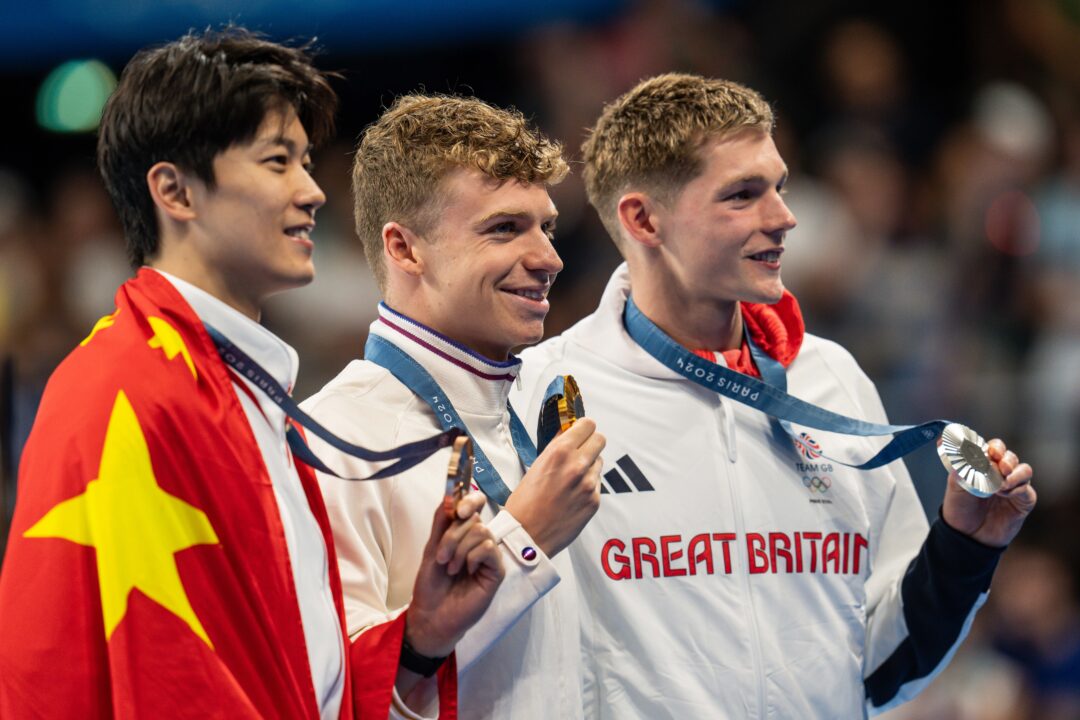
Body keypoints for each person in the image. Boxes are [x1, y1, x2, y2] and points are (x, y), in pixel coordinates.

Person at [0, 28, 504, 719]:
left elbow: (286, 679)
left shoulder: (230, 385)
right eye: (277, 161)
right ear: (175, 191)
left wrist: (417, 638)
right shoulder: (126, 390)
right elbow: (163, 685)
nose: (312, 191)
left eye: (304, 160)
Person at [512, 73, 1038, 718]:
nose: (784, 217)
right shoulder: (546, 394)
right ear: (644, 218)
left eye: (779, 186)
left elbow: (879, 666)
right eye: (742, 195)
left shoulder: (833, 380)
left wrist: (965, 543)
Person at [299, 93, 606, 719]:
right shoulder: (332, 443)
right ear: (405, 249)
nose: (549, 258)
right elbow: (334, 698)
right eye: (504, 228)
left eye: (545, 226)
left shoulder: (549, 412)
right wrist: (523, 541)